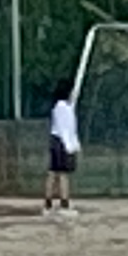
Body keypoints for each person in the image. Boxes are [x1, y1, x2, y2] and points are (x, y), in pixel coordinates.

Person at [43, 81, 81, 215]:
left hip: (58, 141)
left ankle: (49, 203)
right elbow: (64, 127)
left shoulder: (63, 106)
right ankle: (64, 203)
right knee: (61, 173)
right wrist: (69, 144)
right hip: (60, 141)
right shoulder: (62, 107)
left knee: (54, 172)